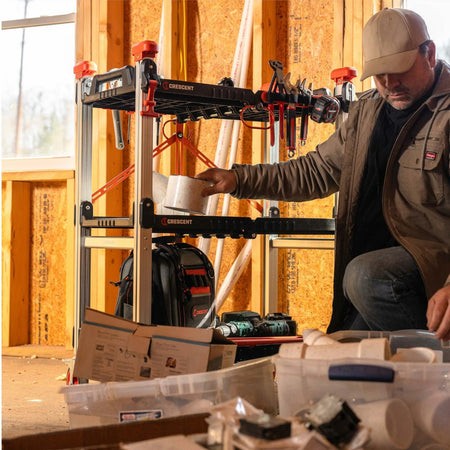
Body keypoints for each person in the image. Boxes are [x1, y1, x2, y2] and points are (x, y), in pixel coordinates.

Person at [196, 8, 450, 339]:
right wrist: (239, 179)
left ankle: (438, 369)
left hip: (429, 275)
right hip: (378, 287)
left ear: (428, 54)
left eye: (399, 70)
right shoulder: (367, 112)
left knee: (364, 278)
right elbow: (315, 171)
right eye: (379, 75)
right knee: (341, 357)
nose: (390, 84)